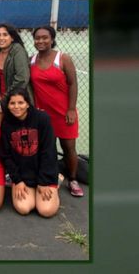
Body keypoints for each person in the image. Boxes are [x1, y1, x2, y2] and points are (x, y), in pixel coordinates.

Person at [30, 25, 84, 197]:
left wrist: (71, 109)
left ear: (52, 39)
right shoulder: (32, 60)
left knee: (69, 148)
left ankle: (73, 179)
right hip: (44, 116)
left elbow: (72, 84)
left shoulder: (63, 58)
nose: (41, 41)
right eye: (37, 38)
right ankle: (52, 177)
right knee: (48, 149)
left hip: (64, 113)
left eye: (45, 37)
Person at [0, 88, 60, 217]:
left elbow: (48, 152)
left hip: (43, 174)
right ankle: (28, 189)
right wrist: (18, 180)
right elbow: (6, 155)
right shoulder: (6, 124)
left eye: (21, 102)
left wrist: (44, 181)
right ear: (8, 105)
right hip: (23, 176)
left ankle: (56, 181)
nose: (16, 107)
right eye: (12, 103)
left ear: (28, 103)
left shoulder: (42, 119)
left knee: (46, 211)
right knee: (24, 208)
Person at [0, 23, 34, 113]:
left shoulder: (18, 51)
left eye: (5, 35)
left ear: (12, 38)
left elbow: (22, 79)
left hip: (18, 101)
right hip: (2, 100)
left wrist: (6, 98)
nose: (1, 38)